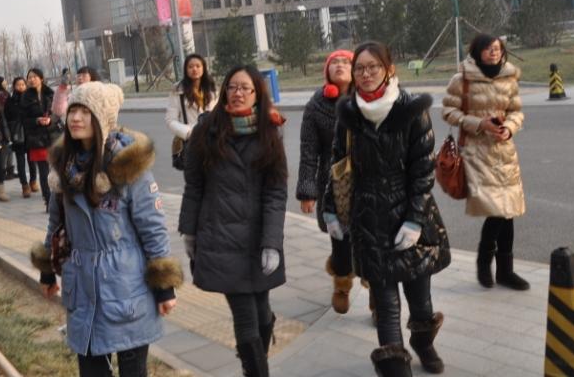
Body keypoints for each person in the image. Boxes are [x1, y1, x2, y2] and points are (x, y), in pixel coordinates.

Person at [31, 82, 182, 377]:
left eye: (85, 112)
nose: (75, 118)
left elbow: (152, 228)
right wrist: (47, 271)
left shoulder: (128, 167)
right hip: (82, 285)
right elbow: (56, 224)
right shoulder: (64, 168)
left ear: (102, 117)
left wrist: (164, 286)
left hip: (126, 289)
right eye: (72, 110)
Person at [323, 42, 450, 376]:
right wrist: (330, 209)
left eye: (373, 67)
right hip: (368, 217)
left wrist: (415, 220)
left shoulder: (411, 110)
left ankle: (423, 343)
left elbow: (423, 171)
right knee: (386, 303)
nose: (366, 74)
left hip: (409, 211)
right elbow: (337, 163)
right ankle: (395, 368)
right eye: (360, 68)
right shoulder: (348, 114)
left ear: (389, 70)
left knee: (420, 299)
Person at [178, 66, 288, 377]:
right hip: (219, 237)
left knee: (262, 313)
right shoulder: (206, 131)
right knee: (246, 318)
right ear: (224, 91)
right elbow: (194, 186)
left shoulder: (269, 132)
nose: (238, 93)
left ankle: (256, 361)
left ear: (257, 94)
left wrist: (272, 243)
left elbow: (276, 193)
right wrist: (189, 232)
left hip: (258, 238)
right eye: (232, 87)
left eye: (245, 88)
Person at [442, 34, 528, 291]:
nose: (494, 52)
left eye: (498, 48)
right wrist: (480, 123)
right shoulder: (462, 79)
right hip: (476, 152)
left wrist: (508, 128)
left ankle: (505, 271)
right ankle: (484, 261)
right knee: (498, 210)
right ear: (478, 51)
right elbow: (448, 111)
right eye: (489, 48)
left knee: (508, 211)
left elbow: (516, 111)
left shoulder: (509, 77)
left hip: (504, 152)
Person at [297, 50, 358, 314]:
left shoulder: (367, 99)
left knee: (372, 241)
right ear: (327, 71)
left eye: (346, 62)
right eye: (335, 63)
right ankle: (342, 285)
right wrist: (307, 191)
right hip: (333, 183)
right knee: (340, 239)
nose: (340, 66)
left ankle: (377, 297)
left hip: (369, 181)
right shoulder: (316, 105)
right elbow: (308, 151)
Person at [165, 54, 217, 169]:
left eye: (198, 66)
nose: (194, 69)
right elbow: (170, 120)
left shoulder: (211, 88)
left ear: (203, 68)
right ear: (186, 69)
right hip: (192, 143)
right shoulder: (178, 90)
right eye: (191, 66)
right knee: (195, 176)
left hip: (213, 142)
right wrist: (189, 132)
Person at [21, 68, 60, 211]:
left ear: (41, 78)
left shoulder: (51, 94)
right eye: (29, 77)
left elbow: (58, 114)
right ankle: (48, 201)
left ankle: (60, 199)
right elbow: (24, 120)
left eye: (35, 77)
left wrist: (50, 120)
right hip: (36, 138)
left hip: (53, 136)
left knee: (58, 169)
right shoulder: (25, 98)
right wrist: (36, 120)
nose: (32, 79)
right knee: (43, 172)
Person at [5, 77, 33, 197]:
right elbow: (7, 117)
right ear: (14, 86)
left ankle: (33, 181)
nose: (21, 87)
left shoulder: (31, 98)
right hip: (17, 134)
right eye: (18, 84)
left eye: (23, 84)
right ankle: (24, 185)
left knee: (32, 160)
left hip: (30, 133)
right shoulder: (10, 101)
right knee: (20, 161)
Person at [0, 77, 17, 180]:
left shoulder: (2, 94)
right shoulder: (1, 95)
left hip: (6, 124)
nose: (6, 83)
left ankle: (7, 171)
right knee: (6, 148)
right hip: (4, 124)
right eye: (4, 82)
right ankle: (5, 172)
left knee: (7, 148)